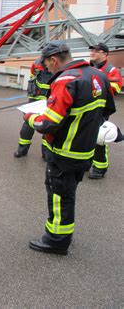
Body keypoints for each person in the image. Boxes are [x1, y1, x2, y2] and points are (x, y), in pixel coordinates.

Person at [24, 42, 115, 255]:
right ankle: (64, 235)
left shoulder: (66, 81)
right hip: (85, 151)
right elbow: (108, 109)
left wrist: (30, 118)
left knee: (59, 196)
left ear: (54, 60)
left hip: (64, 152)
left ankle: (56, 240)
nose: (46, 69)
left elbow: (49, 124)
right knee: (68, 194)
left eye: (46, 64)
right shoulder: (97, 75)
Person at [87, 42, 123, 179]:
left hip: (100, 109)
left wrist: (94, 85)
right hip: (85, 108)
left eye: (96, 50)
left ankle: (100, 168)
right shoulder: (86, 66)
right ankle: (86, 161)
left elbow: (116, 87)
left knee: (99, 137)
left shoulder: (111, 70)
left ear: (104, 54)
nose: (92, 52)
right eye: (92, 50)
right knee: (85, 135)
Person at [14, 58, 53, 157]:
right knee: (28, 124)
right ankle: (22, 149)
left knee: (49, 126)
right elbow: (33, 75)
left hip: (50, 100)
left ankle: (46, 152)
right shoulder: (36, 63)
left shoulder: (59, 64)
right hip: (35, 99)